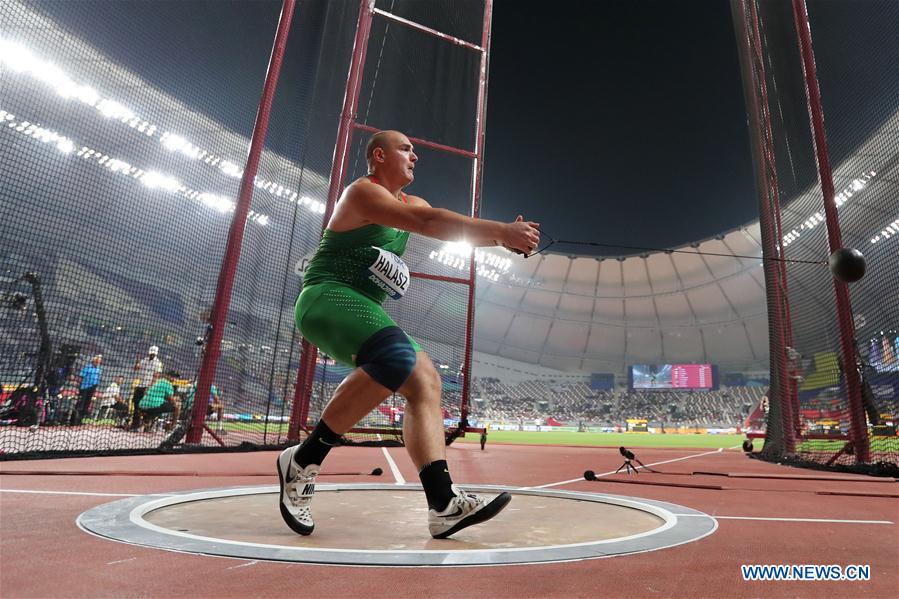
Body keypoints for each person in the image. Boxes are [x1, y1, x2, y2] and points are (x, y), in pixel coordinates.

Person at [278, 130, 540, 539]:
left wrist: (498, 239)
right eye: (405, 148)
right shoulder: (362, 193)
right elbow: (428, 223)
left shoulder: (410, 202)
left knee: (425, 381)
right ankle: (303, 461)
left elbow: (439, 222)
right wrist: (501, 231)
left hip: (362, 307)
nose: (415, 155)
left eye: (415, 149)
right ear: (379, 156)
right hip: (326, 297)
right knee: (399, 358)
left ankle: (443, 504)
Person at [129, 345, 162, 430]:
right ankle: (135, 425)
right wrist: (137, 362)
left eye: (153, 354)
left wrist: (149, 388)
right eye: (151, 353)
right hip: (140, 385)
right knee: (136, 404)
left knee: (146, 406)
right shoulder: (144, 360)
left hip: (148, 387)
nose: (152, 355)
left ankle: (146, 425)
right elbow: (136, 368)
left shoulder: (158, 363)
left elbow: (156, 376)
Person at [73, 355, 102, 425]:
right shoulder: (87, 368)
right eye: (97, 360)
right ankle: (74, 420)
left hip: (92, 388)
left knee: (87, 404)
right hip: (84, 388)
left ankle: (81, 420)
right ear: (94, 361)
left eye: (99, 361)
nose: (98, 362)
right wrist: (78, 388)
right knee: (80, 404)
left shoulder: (99, 369)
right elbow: (80, 378)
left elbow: (97, 379)